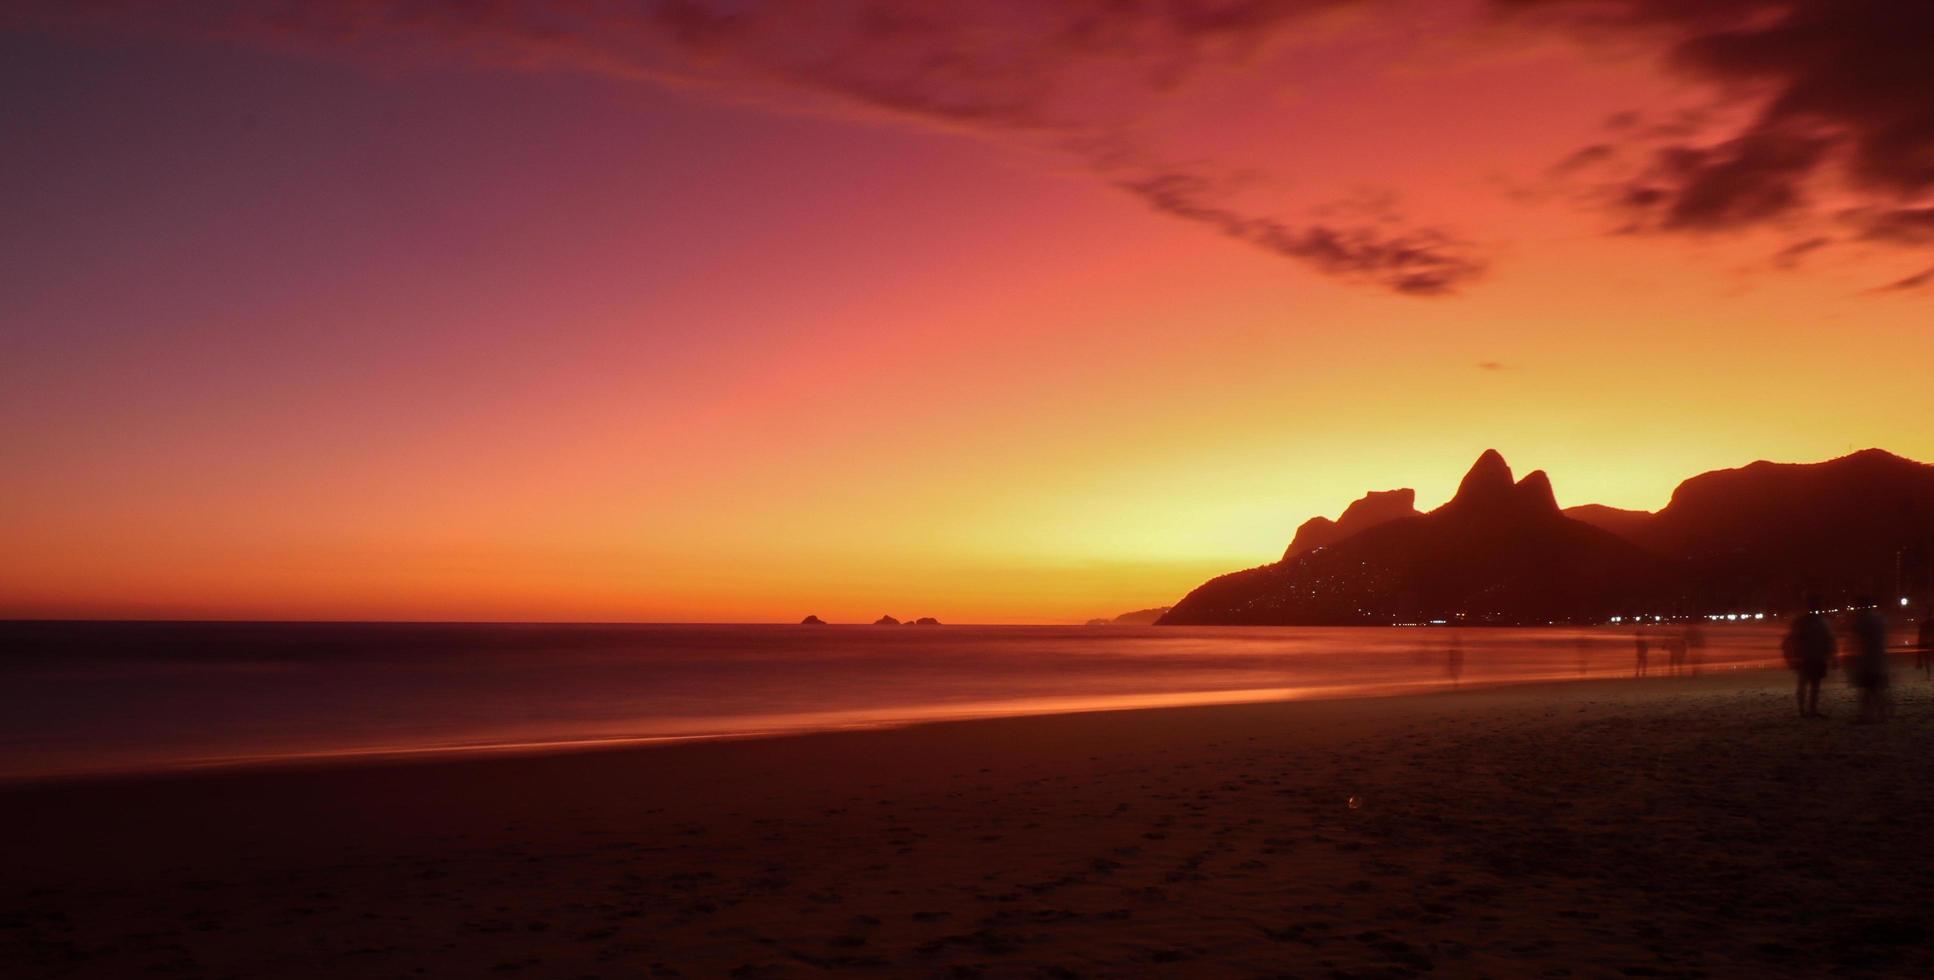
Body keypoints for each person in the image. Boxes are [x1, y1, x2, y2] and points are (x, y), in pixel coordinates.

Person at [1783, 598, 1835, 718]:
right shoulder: (1822, 622)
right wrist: (1831, 654)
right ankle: (1811, 709)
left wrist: (1791, 656)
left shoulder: (1802, 621)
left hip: (1806, 657)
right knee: (1814, 685)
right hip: (1816, 657)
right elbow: (1828, 639)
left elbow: (1792, 639)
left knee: (1804, 684)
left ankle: (1803, 710)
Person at [1849, 596, 1891, 723]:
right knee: (1874, 689)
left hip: (1867, 659)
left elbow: (1857, 637)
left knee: (1869, 689)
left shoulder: (1863, 620)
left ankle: (1868, 715)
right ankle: (1879, 714)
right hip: (1877, 658)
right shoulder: (1879, 618)